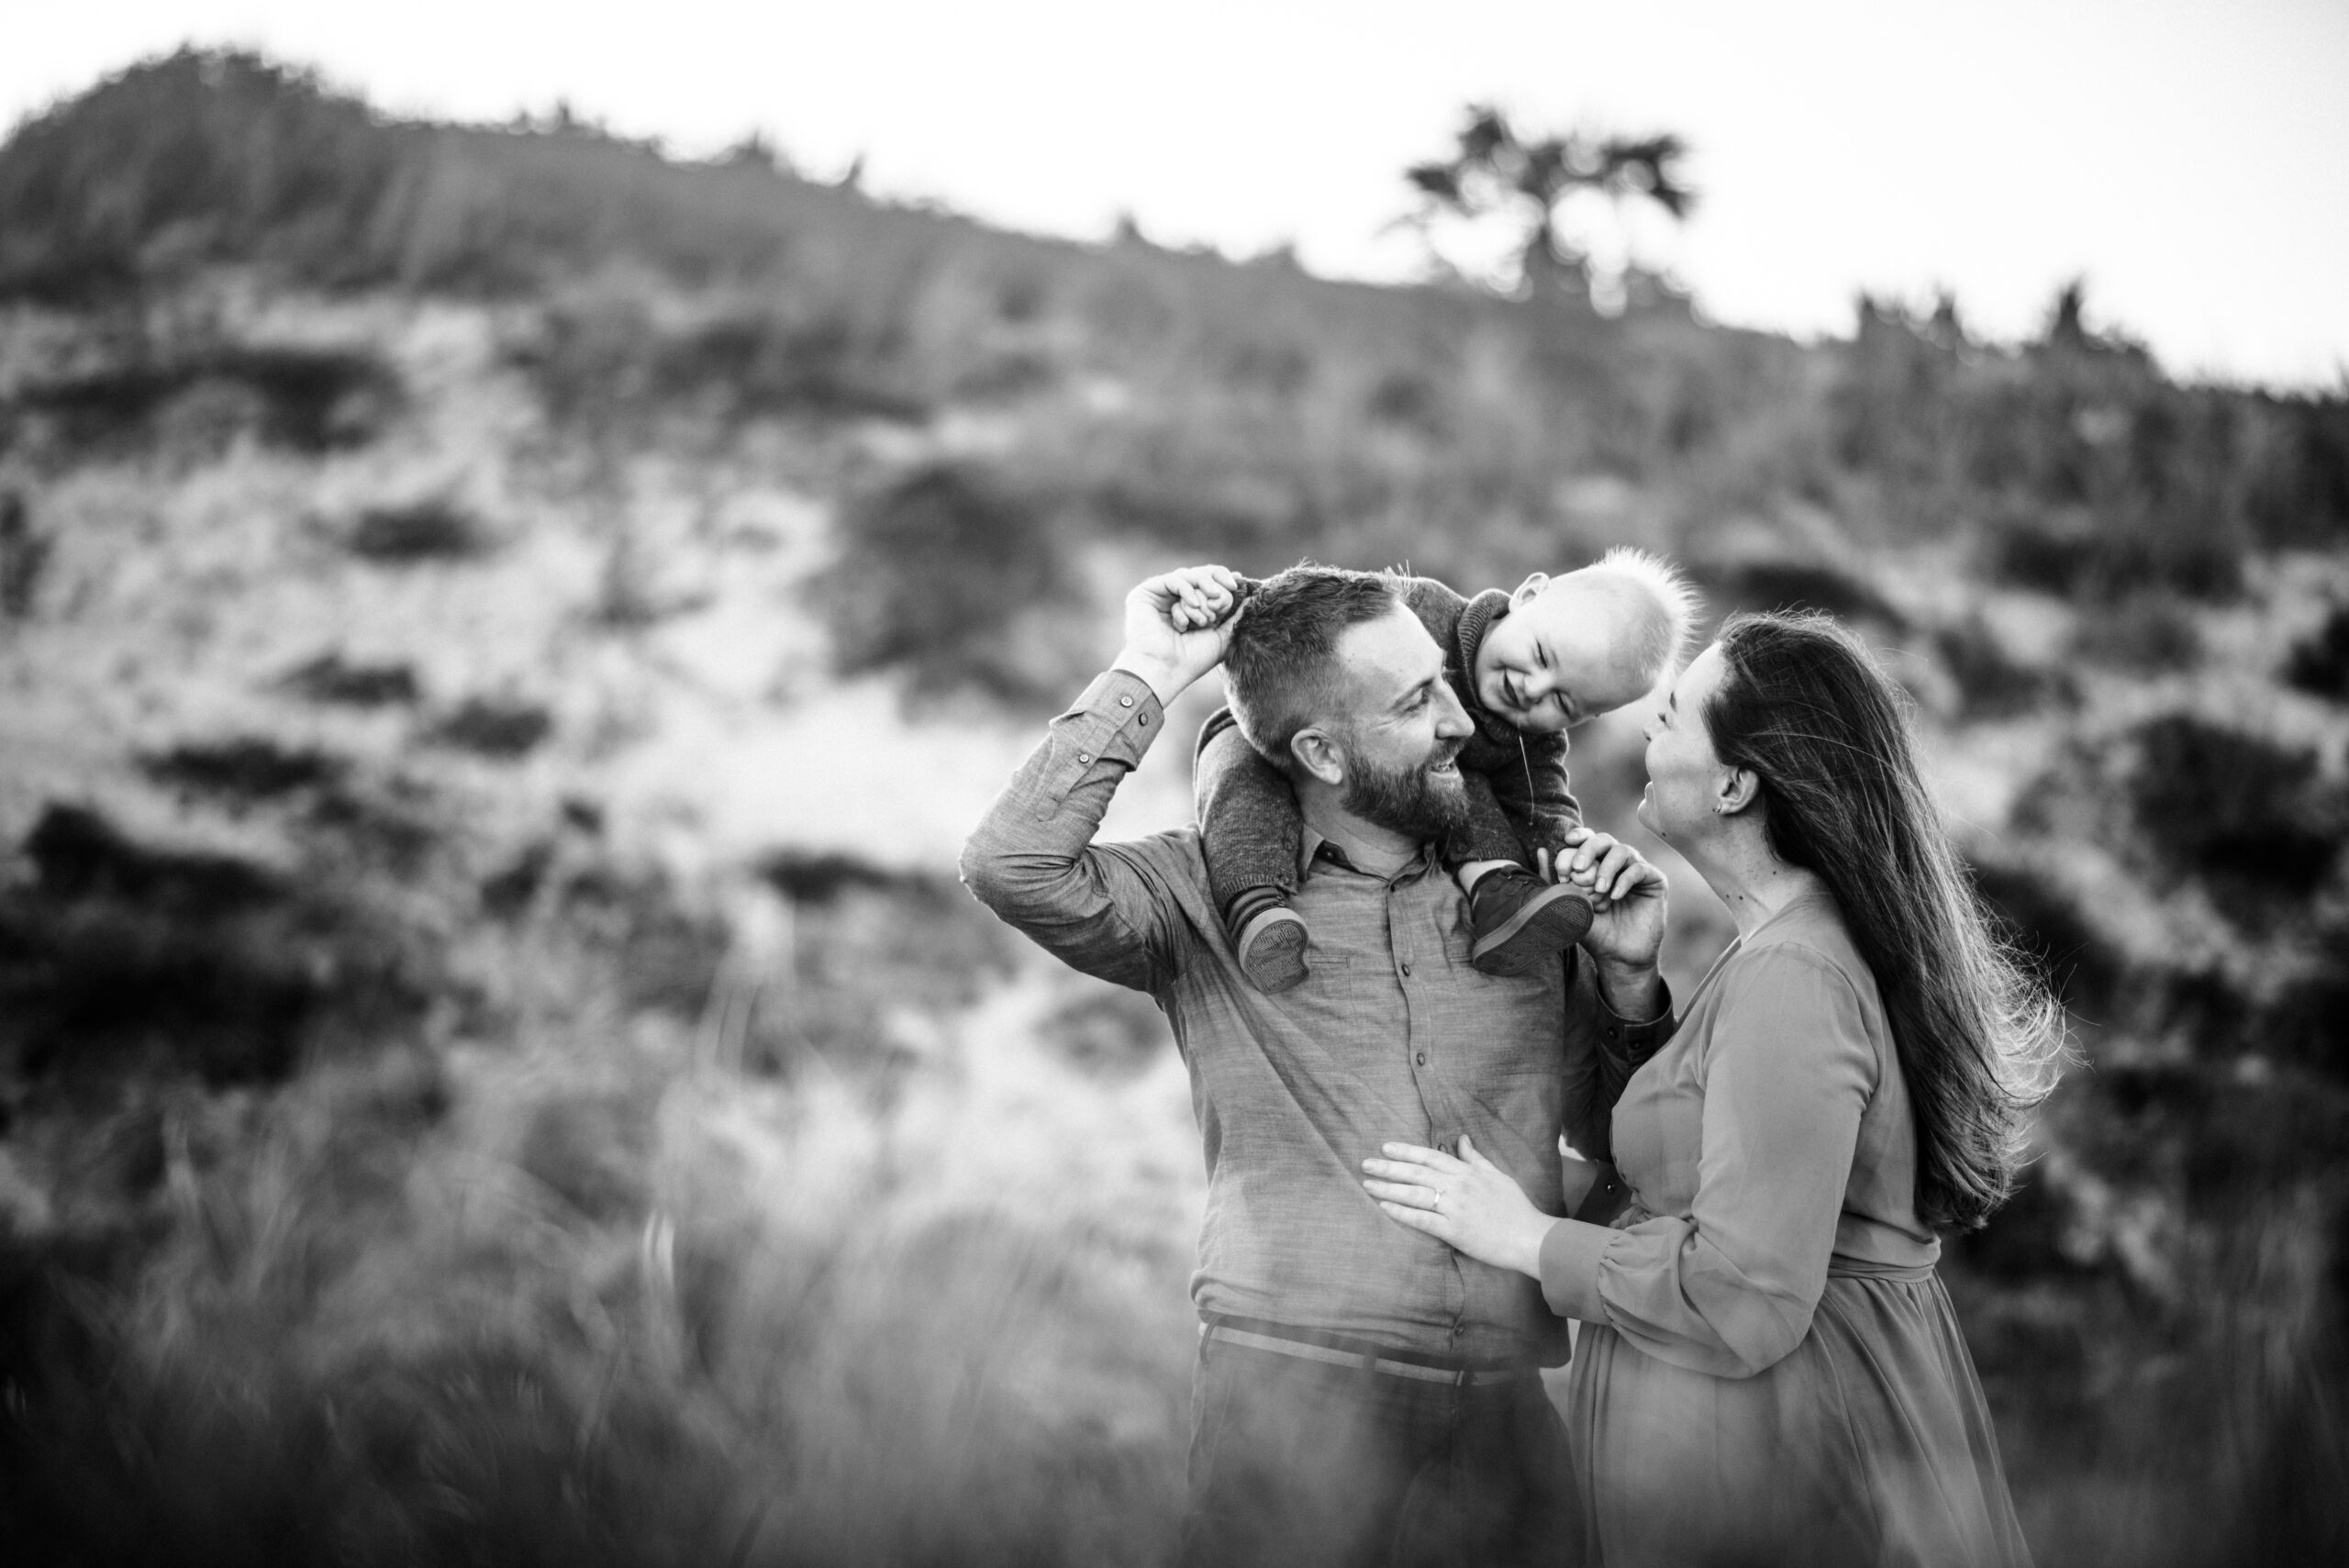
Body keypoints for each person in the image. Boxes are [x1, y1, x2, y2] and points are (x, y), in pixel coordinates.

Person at [959, 563, 1675, 1568]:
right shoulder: (1197, 896)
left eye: (1445, 680)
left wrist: (1631, 980)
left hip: (1506, 1410)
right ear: (1322, 752)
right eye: (1417, 702)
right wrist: (1152, 668)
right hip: (1293, 1401)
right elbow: (1011, 863)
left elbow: (1625, 1155)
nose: (1463, 720)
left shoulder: (1524, 908)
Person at [1364, 611, 2062, 1567]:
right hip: (1773, 1434)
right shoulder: (1782, 949)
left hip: (1794, 1454)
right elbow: (1695, 1174)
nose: (1647, 727)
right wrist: (1629, 980)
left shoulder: (1796, 976)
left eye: (1673, 714)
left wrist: (1525, 1239)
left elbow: (1745, 1293)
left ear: (1736, 783)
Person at [1197, 551, 1695, 994]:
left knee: (1470, 778)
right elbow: (1319, 603)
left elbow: (1543, 802)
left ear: (1588, 717)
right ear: (1528, 595)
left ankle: (1501, 897)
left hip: (1423, 788)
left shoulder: (1533, 740)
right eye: (1542, 656)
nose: (1533, 688)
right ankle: (1256, 904)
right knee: (1238, 767)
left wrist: (1572, 854)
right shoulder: (1422, 608)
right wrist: (1234, 597)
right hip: (1287, 727)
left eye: (1563, 701)